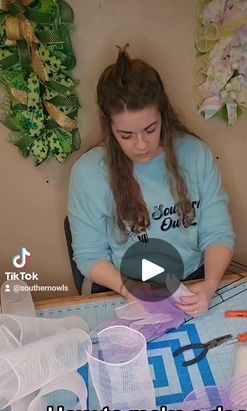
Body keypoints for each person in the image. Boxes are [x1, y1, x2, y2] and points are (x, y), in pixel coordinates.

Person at [68, 44, 235, 317]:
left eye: (150, 129)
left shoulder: (195, 155)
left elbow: (218, 232)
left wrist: (210, 285)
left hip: (193, 278)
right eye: (126, 135)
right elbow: (89, 254)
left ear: (163, 116)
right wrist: (129, 292)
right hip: (125, 285)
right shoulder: (88, 173)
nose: (141, 144)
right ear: (109, 128)